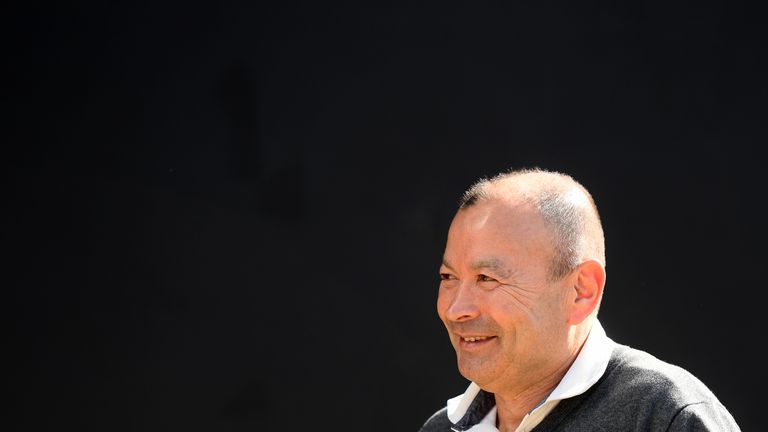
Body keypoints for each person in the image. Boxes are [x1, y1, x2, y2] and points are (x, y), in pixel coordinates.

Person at [419, 167, 740, 432]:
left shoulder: (665, 418)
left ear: (581, 291)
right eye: (448, 278)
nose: (455, 308)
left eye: (487, 279)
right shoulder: (439, 429)